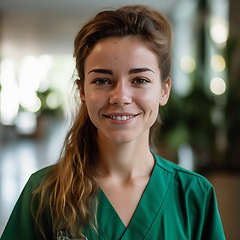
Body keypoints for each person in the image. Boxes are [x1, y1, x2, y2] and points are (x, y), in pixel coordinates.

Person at [1, 5, 225, 240]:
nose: (120, 97)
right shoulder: (44, 192)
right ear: (82, 91)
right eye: (102, 80)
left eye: (139, 79)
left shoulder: (194, 195)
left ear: (164, 90)